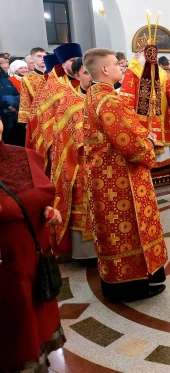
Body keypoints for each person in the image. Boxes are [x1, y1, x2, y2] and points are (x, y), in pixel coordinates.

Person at [82, 48, 168, 301]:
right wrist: (149, 145)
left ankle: (120, 282)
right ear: (105, 70)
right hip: (120, 180)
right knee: (128, 231)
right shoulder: (107, 100)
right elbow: (127, 142)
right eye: (117, 65)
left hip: (104, 176)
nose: (121, 67)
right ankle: (134, 285)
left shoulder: (93, 96)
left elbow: (123, 128)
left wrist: (143, 135)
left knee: (112, 232)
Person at [0, 119, 66, 372]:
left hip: (34, 256)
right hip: (7, 262)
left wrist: (46, 209)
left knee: (34, 309)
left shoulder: (24, 157)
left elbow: (37, 195)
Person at [49, 58, 96, 259]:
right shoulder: (69, 101)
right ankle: (86, 253)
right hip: (80, 163)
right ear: (76, 75)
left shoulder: (105, 97)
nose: (91, 77)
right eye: (87, 73)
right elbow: (63, 138)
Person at [120, 38, 170, 168]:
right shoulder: (133, 71)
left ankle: (163, 162)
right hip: (140, 113)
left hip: (160, 111)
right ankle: (146, 162)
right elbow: (127, 93)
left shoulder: (162, 73)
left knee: (160, 133)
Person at [34, 43, 83, 166]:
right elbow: (47, 118)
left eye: (79, 59)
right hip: (63, 139)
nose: (77, 62)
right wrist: (52, 147)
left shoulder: (89, 81)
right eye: (72, 60)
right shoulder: (54, 88)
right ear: (63, 64)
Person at [18, 48, 48, 149]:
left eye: (44, 56)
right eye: (39, 56)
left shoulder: (54, 75)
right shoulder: (27, 78)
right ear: (33, 59)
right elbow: (25, 100)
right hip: (36, 117)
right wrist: (26, 122)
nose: (43, 59)